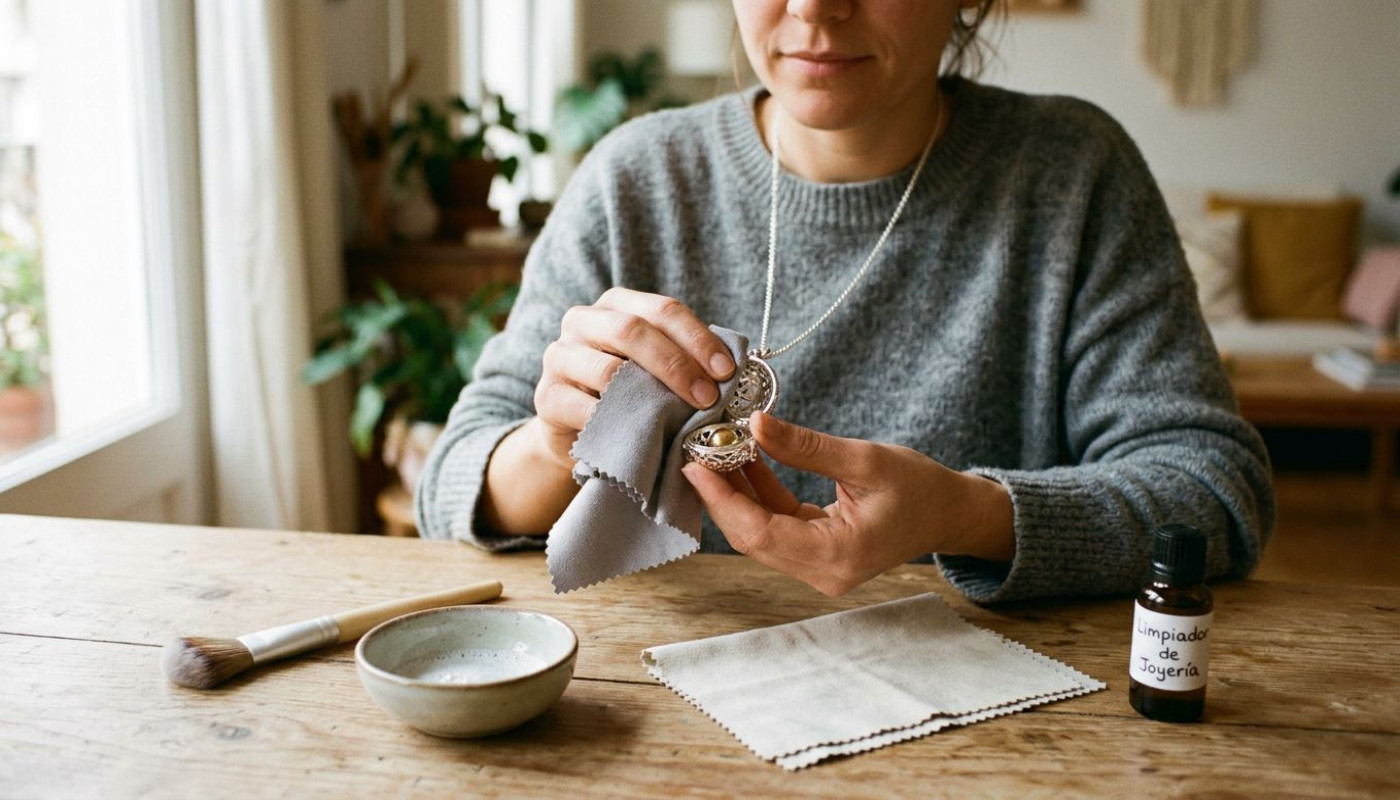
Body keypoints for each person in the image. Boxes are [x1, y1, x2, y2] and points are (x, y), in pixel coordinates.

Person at [415, 0, 1274, 604]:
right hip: (653, 713)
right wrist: (552, 445)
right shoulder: (634, 180)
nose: (816, 8)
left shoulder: (1072, 175)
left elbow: (1213, 492)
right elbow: (453, 480)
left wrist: (966, 515)